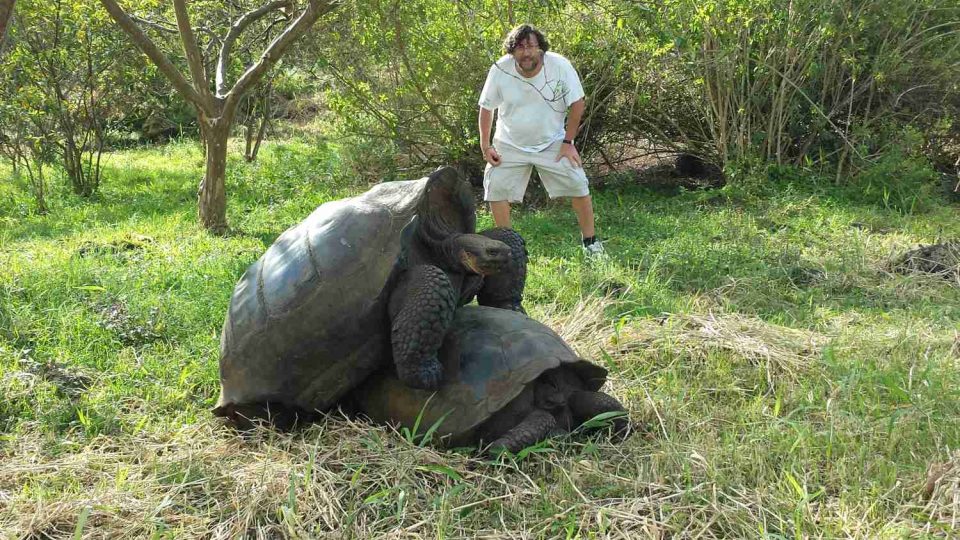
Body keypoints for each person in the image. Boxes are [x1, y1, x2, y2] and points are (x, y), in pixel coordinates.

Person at [478, 23, 605, 259]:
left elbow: (577, 103)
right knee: (496, 188)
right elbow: (486, 108)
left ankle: (591, 244)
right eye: (520, 48)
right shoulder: (500, 69)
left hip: (552, 141)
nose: (526, 53)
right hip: (509, 143)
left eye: (531, 47)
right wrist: (486, 146)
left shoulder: (560, 66)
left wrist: (568, 142)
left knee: (578, 183)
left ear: (541, 49)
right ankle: (509, 249)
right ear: (512, 51)